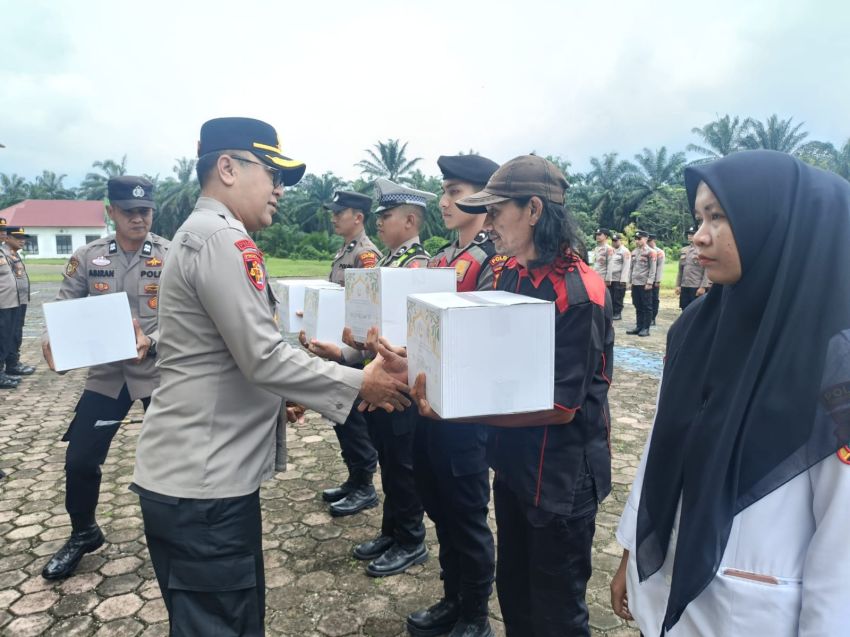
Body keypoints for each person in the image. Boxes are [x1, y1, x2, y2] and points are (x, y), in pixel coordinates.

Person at [131, 117, 410, 635]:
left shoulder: (206, 234)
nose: (280, 191)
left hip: (201, 479)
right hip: (203, 487)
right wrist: (359, 384)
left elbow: (216, 356)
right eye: (273, 175)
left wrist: (275, 399)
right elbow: (261, 356)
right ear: (228, 168)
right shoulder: (219, 238)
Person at [610, 150, 850, 636]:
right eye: (701, 217)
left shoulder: (832, 359)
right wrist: (632, 553)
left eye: (719, 217)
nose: (699, 234)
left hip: (750, 611)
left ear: (780, 225)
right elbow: (661, 442)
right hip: (664, 588)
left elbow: (843, 539)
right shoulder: (697, 327)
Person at [413, 155, 614, 636]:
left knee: (556, 612)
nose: (490, 223)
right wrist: (417, 365)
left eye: (497, 211)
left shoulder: (577, 292)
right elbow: (483, 358)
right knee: (516, 597)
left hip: (561, 478)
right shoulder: (507, 273)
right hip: (514, 467)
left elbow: (562, 407)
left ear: (534, 211)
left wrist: (455, 412)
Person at [40, 176, 169, 580]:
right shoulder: (88, 256)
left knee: (173, 456)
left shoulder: (172, 254)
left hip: (158, 372)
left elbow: (188, 316)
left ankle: (175, 533)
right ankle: (83, 532)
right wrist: (53, 342)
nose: (138, 218)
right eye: (128, 211)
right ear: (110, 212)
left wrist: (153, 338)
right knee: (80, 459)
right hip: (107, 376)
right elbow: (65, 306)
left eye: (144, 211)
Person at [406, 154, 501, 637]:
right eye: (443, 191)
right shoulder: (443, 260)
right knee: (438, 503)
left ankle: (475, 614)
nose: (445, 201)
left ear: (484, 196)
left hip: (465, 417)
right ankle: (451, 596)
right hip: (428, 408)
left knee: (466, 514)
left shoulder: (492, 263)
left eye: (456, 191)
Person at [349, 178, 433, 577]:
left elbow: (414, 335)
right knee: (387, 460)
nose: (379, 223)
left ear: (411, 219)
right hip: (380, 376)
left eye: (386, 216)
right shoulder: (389, 262)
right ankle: (392, 529)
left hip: (398, 384)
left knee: (402, 466)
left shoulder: (419, 267)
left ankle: (411, 540)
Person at [320, 190, 381, 517]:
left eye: (340, 212)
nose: (334, 216)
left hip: (354, 354)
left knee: (352, 418)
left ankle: (365, 486)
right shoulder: (344, 251)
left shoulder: (366, 255)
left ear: (358, 217)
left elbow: (367, 310)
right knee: (340, 416)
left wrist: (347, 352)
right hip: (337, 349)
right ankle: (354, 479)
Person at [2, 226, 36, 376]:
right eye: (18, 238)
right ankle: (9, 367)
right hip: (7, 302)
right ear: (8, 238)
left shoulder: (13, 254)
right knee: (6, 335)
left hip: (18, 301)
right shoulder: (4, 253)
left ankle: (13, 363)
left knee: (15, 333)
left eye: (23, 238)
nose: (22, 241)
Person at [0, 218, 22, 389]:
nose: (3, 233)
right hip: (2, 304)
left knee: (6, 338)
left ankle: (3, 372)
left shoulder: (2, 252)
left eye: (3, 230)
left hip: (9, 303)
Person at [627, 230, 657, 337]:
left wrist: (650, 282)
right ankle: (639, 326)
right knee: (637, 305)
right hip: (636, 283)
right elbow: (631, 268)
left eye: (639, 238)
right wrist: (630, 281)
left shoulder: (651, 252)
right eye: (636, 238)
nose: (637, 240)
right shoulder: (634, 252)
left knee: (647, 306)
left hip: (645, 283)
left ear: (645, 238)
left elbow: (652, 269)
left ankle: (646, 328)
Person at [675, 226, 709, 310]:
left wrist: (703, 287)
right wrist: (678, 285)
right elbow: (680, 270)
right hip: (685, 285)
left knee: (696, 310)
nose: (689, 236)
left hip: (696, 285)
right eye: (689, 234)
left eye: (692, 234)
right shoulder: (684, 250)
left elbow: (707, 270)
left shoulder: (704, 250)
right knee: (684, 308)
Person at [608, 232, 630, 321]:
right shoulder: (611, 250)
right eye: (613, 241)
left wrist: (623, 280)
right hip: (610, 278)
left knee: (618, 297)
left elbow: (626, 266)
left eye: (616, 241)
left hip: (619, 278)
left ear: (620, 241)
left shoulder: (625, 251)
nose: (614, 242)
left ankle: (617, 313)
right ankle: (612, 312)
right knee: (610, 296)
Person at [648, 234, 665, 326]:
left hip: (654, 280)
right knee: (646, 300)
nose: (648, 243)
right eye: (647, 241)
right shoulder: (645, 251)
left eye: (650, 241)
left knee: (654, 299)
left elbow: (660, 267)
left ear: (654, 241)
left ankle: (652, 318)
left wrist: (657, 280)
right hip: (645, 280)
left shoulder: (659, 252)